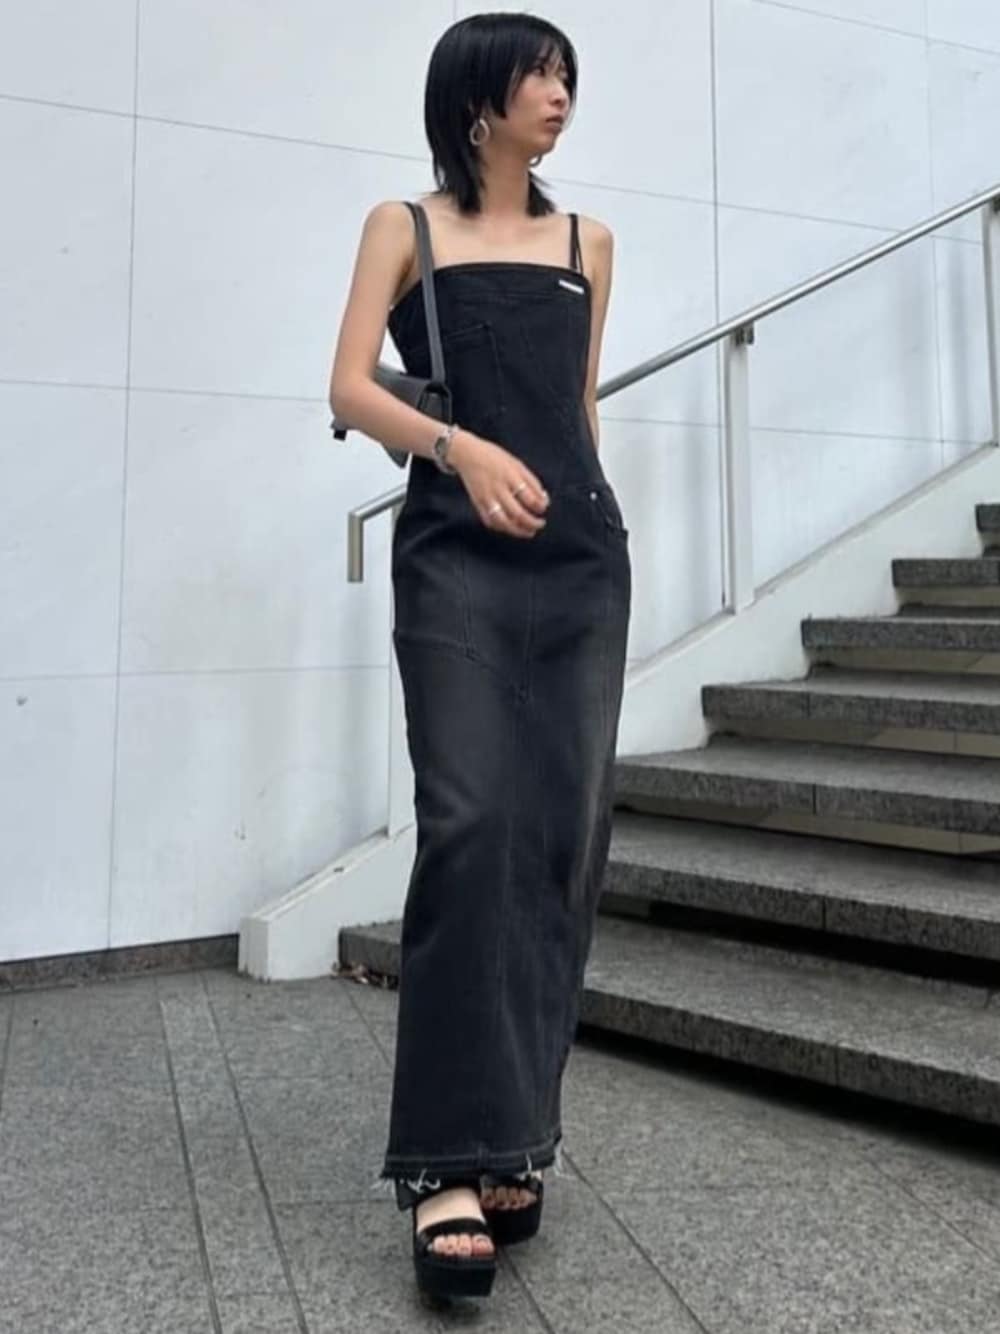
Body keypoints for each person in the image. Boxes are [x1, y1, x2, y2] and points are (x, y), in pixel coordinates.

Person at [328, 11, 630, 1301]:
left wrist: (587, 516)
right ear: (476, 98)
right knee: (470, 825)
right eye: (537, 75)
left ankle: (514, 1139)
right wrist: (458, 449)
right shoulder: (403, 227)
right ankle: (444, 1167)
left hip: (577, 563)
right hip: (455, 551)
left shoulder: (587, 242)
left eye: (566, 76)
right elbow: (350, 388)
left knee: (560, 838)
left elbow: (579, 408)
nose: (558, 94)